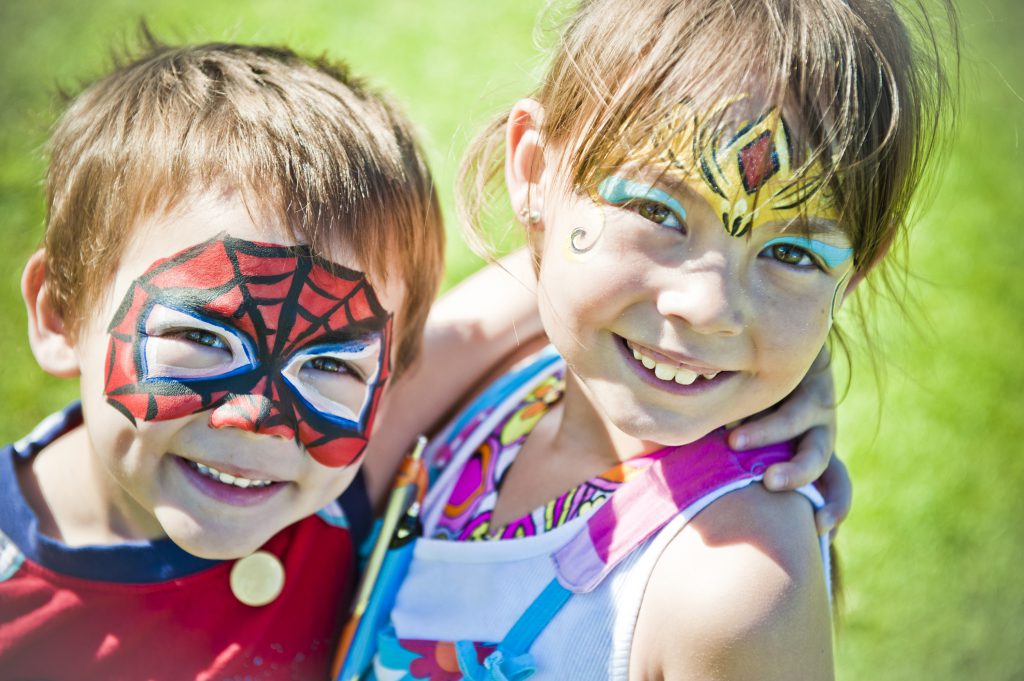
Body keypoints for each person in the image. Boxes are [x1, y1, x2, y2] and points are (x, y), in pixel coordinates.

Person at [0, 34, 849, 681]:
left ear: (393, 368)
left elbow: (579, 290)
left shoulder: (337, 461)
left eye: (329, 362)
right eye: (202, 338)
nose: (256, 415)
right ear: (60, 311)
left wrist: (766, 347)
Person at [370, 0, 957, 679]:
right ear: (534, 171)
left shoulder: (733, 589)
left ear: (851, 278)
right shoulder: (497, 369)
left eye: (794, 254)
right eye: (656, 210)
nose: (708, 307)